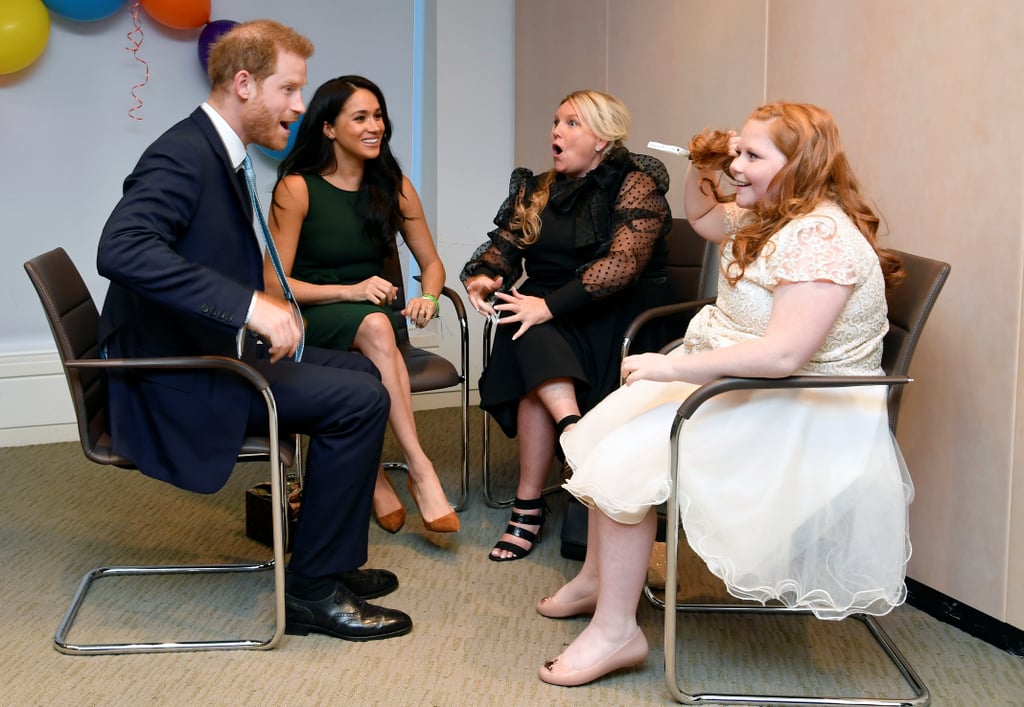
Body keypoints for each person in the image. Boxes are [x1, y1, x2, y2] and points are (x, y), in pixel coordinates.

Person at [535, 102, 911, 686]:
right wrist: (702, 164)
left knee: (626, 460)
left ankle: (617, 633)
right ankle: (599, 579)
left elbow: (785, 356)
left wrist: (671, 371)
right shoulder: (777, 212)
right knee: (603, 435)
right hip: (740, 382)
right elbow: (705, 218)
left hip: (801, 406)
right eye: (739, 151)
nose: (737, 166)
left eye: (751, 156)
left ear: (801, 165)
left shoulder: (821, 238)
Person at [96, 20, 412, 642]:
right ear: (244, 84)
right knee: (359, 400)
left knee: (359, 373)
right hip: (175, 380)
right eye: (289, 89)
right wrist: (249, 306)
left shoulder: (219, 150)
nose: (300, 105)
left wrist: (268, 307)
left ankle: (329, 560)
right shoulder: (182, 153)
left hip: (209, 354)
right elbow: (122, 247)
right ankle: (312, 591)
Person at [461, 90, 672, 562]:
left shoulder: (634, 184)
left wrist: (547, 308)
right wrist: (484, 277)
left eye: (572, 123)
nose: (556, 131)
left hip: (619, 316)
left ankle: (528, 506)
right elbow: (505, 250)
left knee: (530, 327)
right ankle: (574, 436)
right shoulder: (536, 188)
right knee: (526, 322)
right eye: (556, 121)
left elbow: (622, 265)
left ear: (602, 138)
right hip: (550, 315)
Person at [266, 75, 458, 535]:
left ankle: (373, 476)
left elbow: (432, 264)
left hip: (371, 318)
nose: (375, 126)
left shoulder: (395, 187)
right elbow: (274, 284)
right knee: (375, 327)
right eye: (361, 117)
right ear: (329, 128)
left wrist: (428, 297)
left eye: (378, 116)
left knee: (374, 330)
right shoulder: (297, 188)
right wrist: (349, 291)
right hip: (311, 314)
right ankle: (418, 466)